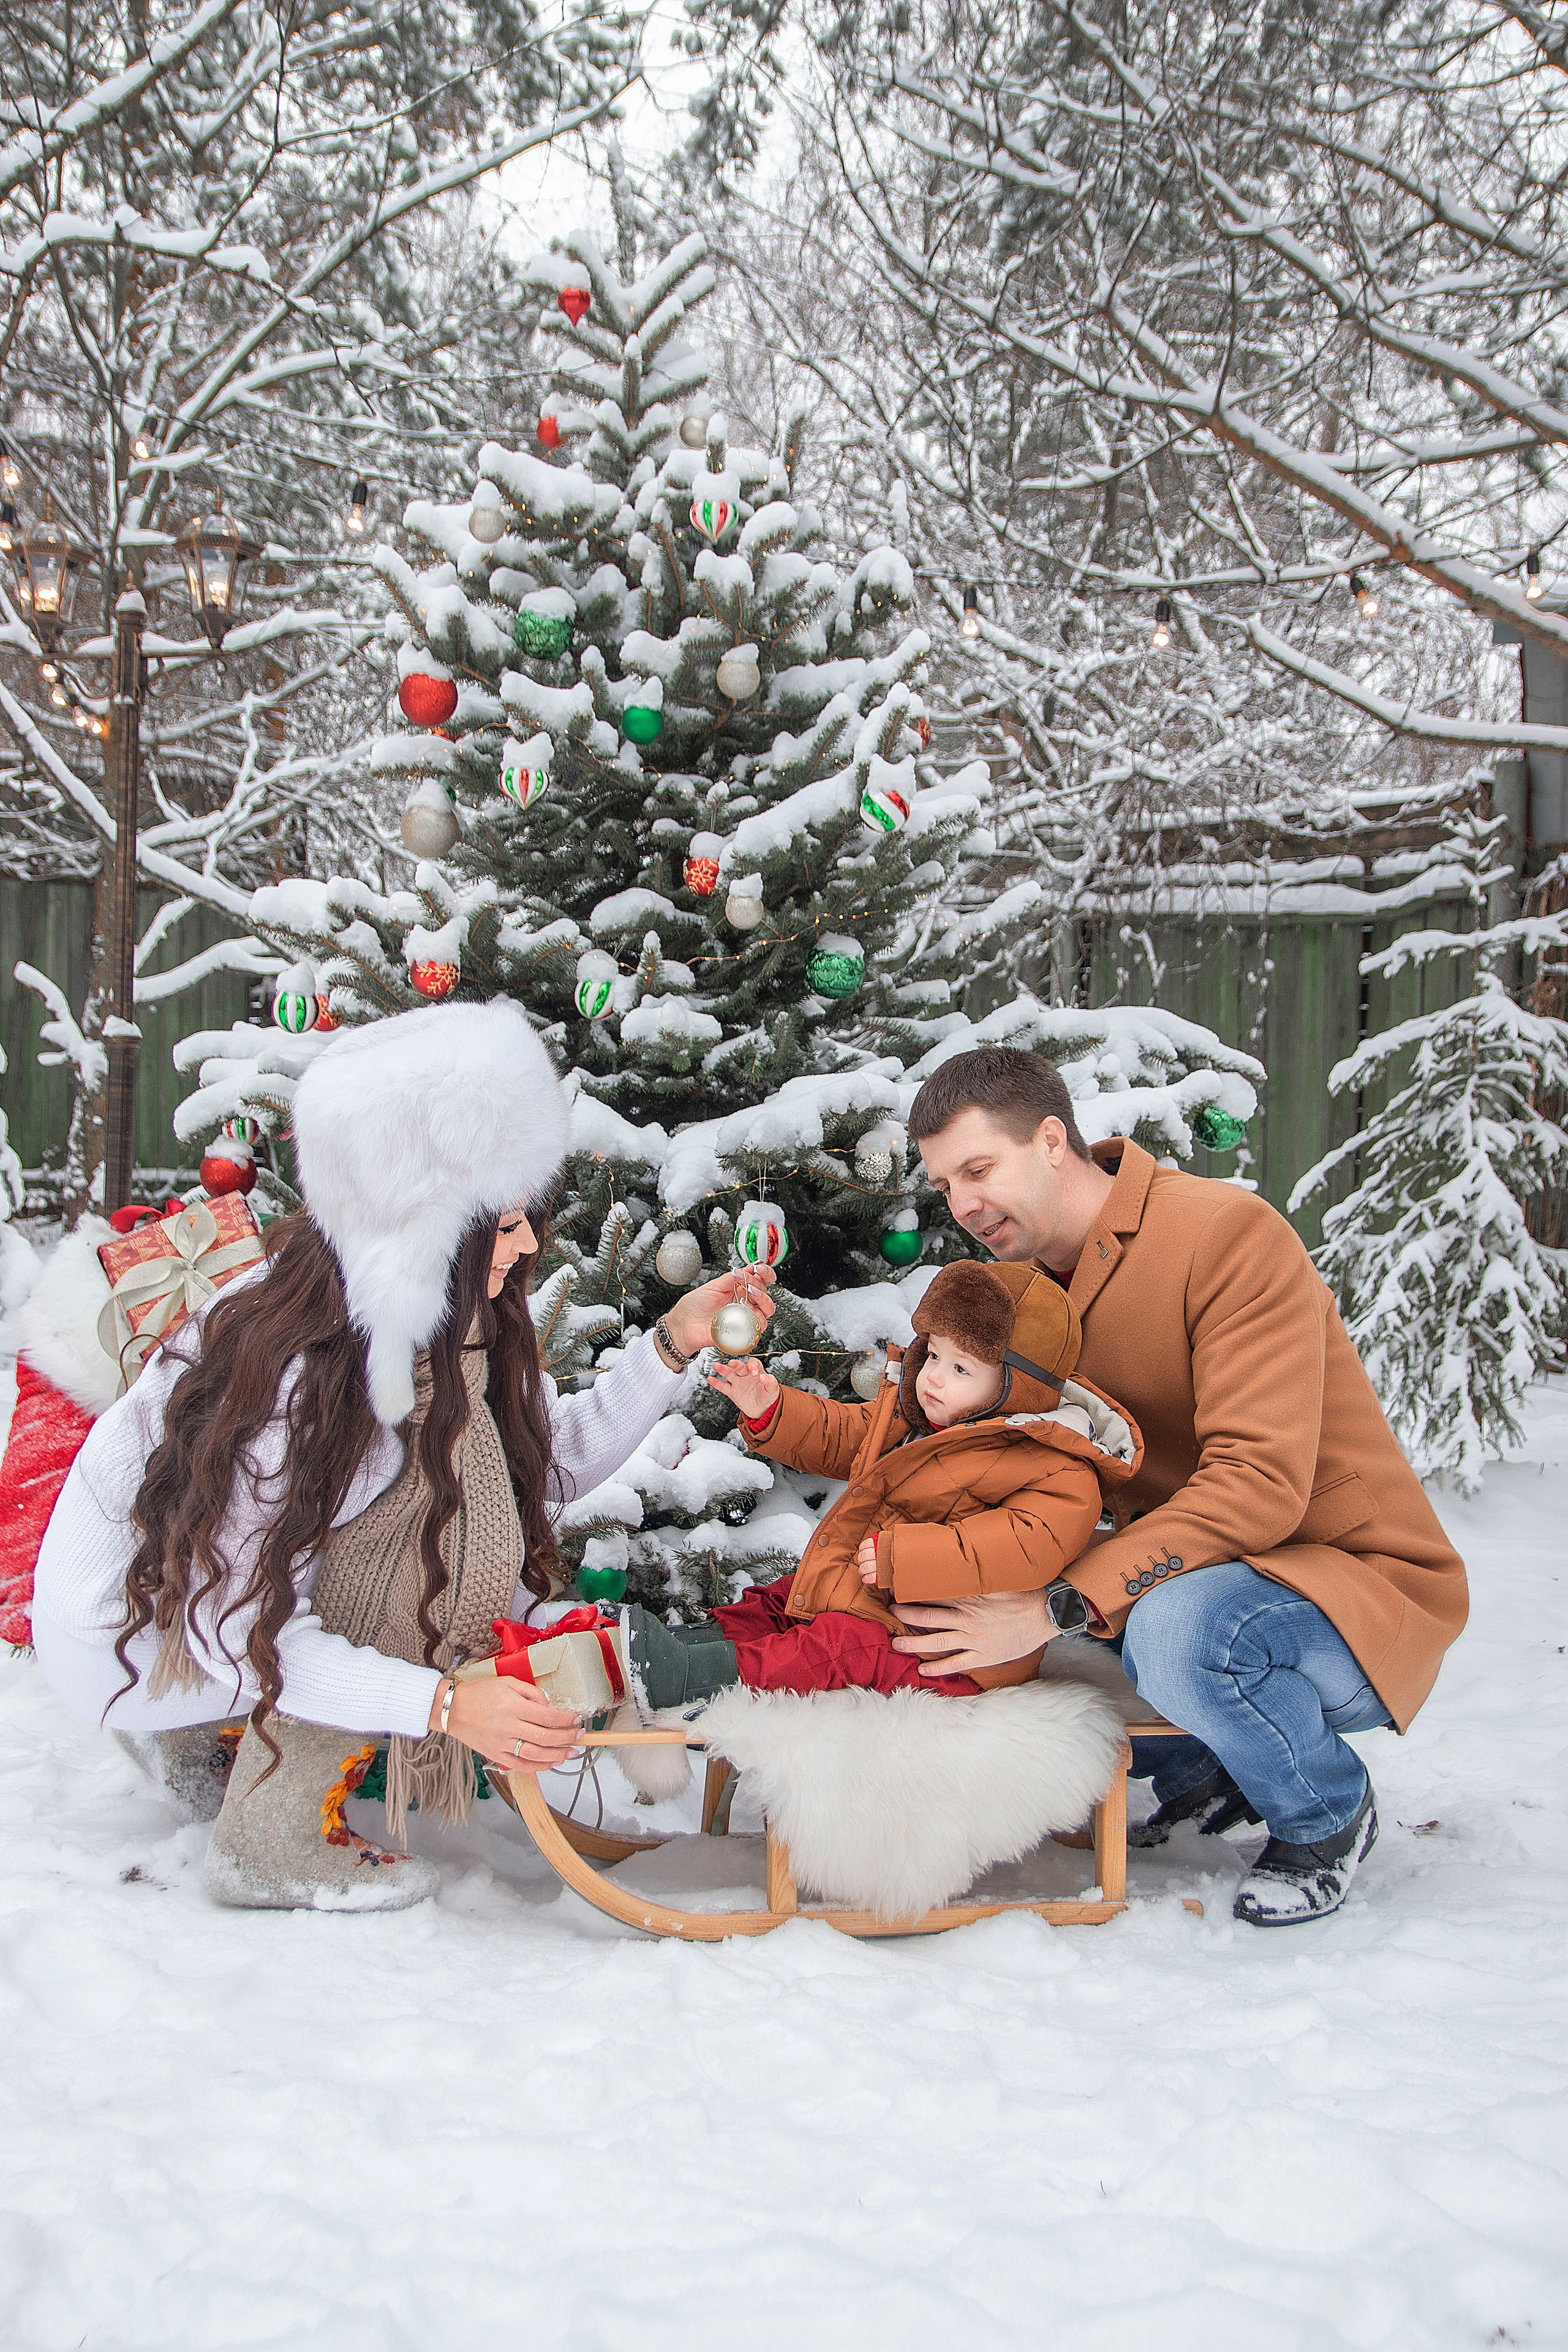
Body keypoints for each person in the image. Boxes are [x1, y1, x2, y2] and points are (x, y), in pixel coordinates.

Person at [31, 1000, 775, 1913]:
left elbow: (550, 1462)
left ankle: (206, 1743)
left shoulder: (442, 1326)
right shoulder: (301, 1379)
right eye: (504, 1224)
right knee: (411, 1540)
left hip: (211, 1623)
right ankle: (266, 1839)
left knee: (444, 1504)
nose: (529, 1245)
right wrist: (446, 1704)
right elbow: (243, 1627)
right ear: (425, 1229)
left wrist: (671, 1342)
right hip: (136, 1641)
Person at [889, 1045, 1468, 1928]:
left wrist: (1056, 1606)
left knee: (1176, 1630)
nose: (962, 1205)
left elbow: (1258, 1485)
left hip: (1341, 1581)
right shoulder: (1013, 1293)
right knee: (1004, 1593)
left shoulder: (1224, 1234)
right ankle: (1207, 1772)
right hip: (1186, 1565)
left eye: (978, 1170)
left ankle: (1325, 1813)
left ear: (1051, 1141)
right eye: (944, 1186)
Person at [618, 1258, 1141, 1711]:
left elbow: (1027, 1544)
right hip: (879, 1600)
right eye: (933, 1355)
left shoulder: (1057, 1465)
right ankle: (692, 1646)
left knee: (837, 1648)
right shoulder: (917, 1422)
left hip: (945, 1650)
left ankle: (701, 1680)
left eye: (961, 1369)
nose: (934, 1378)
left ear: (1017, 1389)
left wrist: (908, 1556)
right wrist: (772, 1408)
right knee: (784, 1598)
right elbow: (842, 1433)